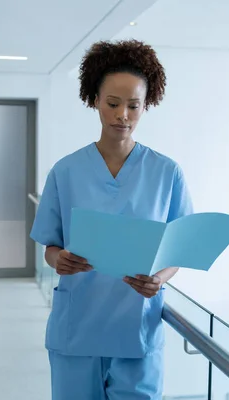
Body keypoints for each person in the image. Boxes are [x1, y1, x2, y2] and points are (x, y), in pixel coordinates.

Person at [30, 39, 193, 400]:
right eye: (113, 104)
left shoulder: (167, 173)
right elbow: (50, 248)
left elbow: (177, 249)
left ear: (146, 105)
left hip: (137, 328)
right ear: (94, 101)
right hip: (78, 329)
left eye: (134, 106)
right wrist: (62, 260)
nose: (123, 115)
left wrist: (159, 279)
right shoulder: (66, 171)